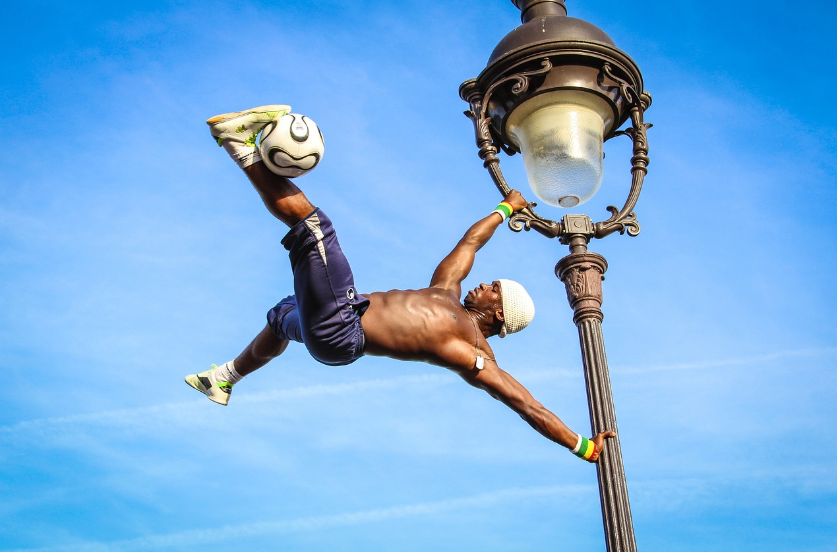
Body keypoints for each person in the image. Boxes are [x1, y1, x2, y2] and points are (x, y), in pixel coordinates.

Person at [185, 104, 616, 463]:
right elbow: (470, 243)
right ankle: (224, 379)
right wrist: (505, 209)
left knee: (316, 227)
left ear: (498, 312)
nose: (482, 284)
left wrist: (581, 445)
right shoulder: (445, 293)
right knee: (282, 315)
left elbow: (525, 403)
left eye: (492, 287)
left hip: (341, 330)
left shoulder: (472, 352)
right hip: (333, 331)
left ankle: (237, 142)